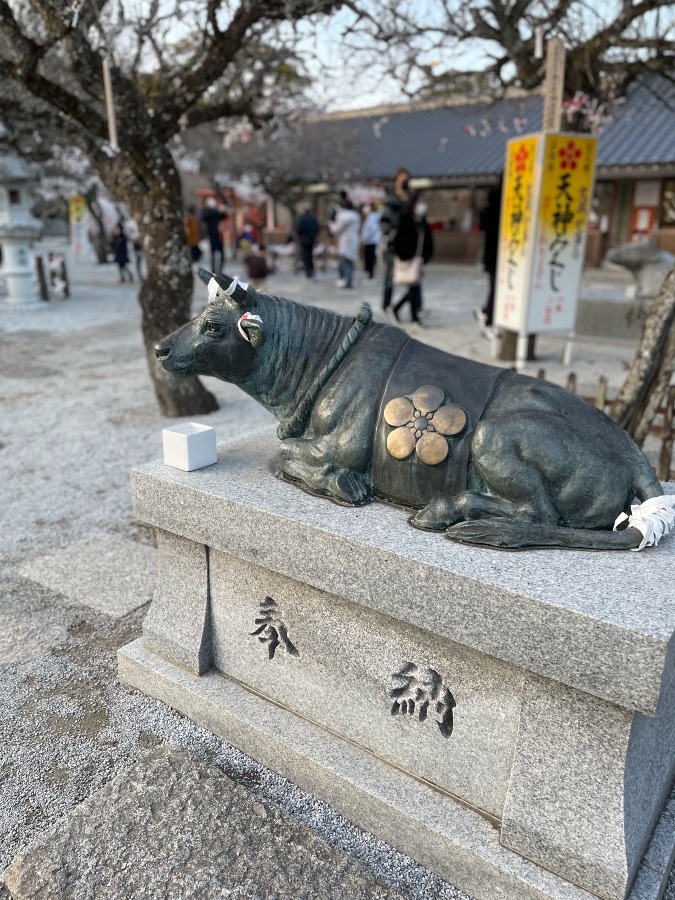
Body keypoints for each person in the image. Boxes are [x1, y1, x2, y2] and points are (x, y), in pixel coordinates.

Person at [391, 194, 433, 325]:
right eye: (420, 202)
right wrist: (404, 254)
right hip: (408, 258)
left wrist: (426, 256)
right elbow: (400, 239)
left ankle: (404, 311)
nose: (422, 206)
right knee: (414, 288)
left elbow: (428, 240)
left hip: (418, 259)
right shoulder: (406, 219)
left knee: (414, 287)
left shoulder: (422, 221)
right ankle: (409, 314)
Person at [379, 168, 411, 312]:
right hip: (394, 244)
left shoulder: (411, 199)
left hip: (409, 244)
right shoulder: (391, 200)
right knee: (390, 278)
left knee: (413, 278)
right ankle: (386, 306)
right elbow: (384, 222)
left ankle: (414, 308)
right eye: (402, 179)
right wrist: (391, 234)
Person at [477, 180, 502, 333]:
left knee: (494, 288)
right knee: (495, 288)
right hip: (497, 255)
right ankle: (489, 317)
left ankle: (488, 313)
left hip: (490, 255)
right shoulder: (499, 212)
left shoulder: (485, 212)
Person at [328, 197, 360, 289]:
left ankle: (348, 281)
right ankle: (350, 280)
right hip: (354, 240)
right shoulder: (355, 215)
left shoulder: (343, 215)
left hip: (346, 241)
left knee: (344, 261)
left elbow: (337, 229)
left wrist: (331, 225)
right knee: (350, 262)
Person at [201, 197, 226, 274]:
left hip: (219, 235)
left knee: (221, 254)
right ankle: (214, 270)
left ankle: (219, 270)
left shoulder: (216, 212)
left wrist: (222, 210)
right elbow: (204, 216)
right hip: (212, 235)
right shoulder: (208, 213)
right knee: (213, 254)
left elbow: (224, 216)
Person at [295, 204, 320, 278]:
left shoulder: (302, 218)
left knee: (305, 255)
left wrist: (300, 236)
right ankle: (311, 269)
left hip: (304, 239)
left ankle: (307, 270)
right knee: (310, 254)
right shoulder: (313, 218)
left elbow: (299, 229)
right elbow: (317, 228)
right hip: (311, 239)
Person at [360, 204, 380, 279]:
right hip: (370, 241)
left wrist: (364, 238)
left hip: (370, 241)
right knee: (369, 258)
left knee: (370, 258)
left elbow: (371, 229)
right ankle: (370, 274)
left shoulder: (371, 217)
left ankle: (371, 275)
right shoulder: (372, 217)